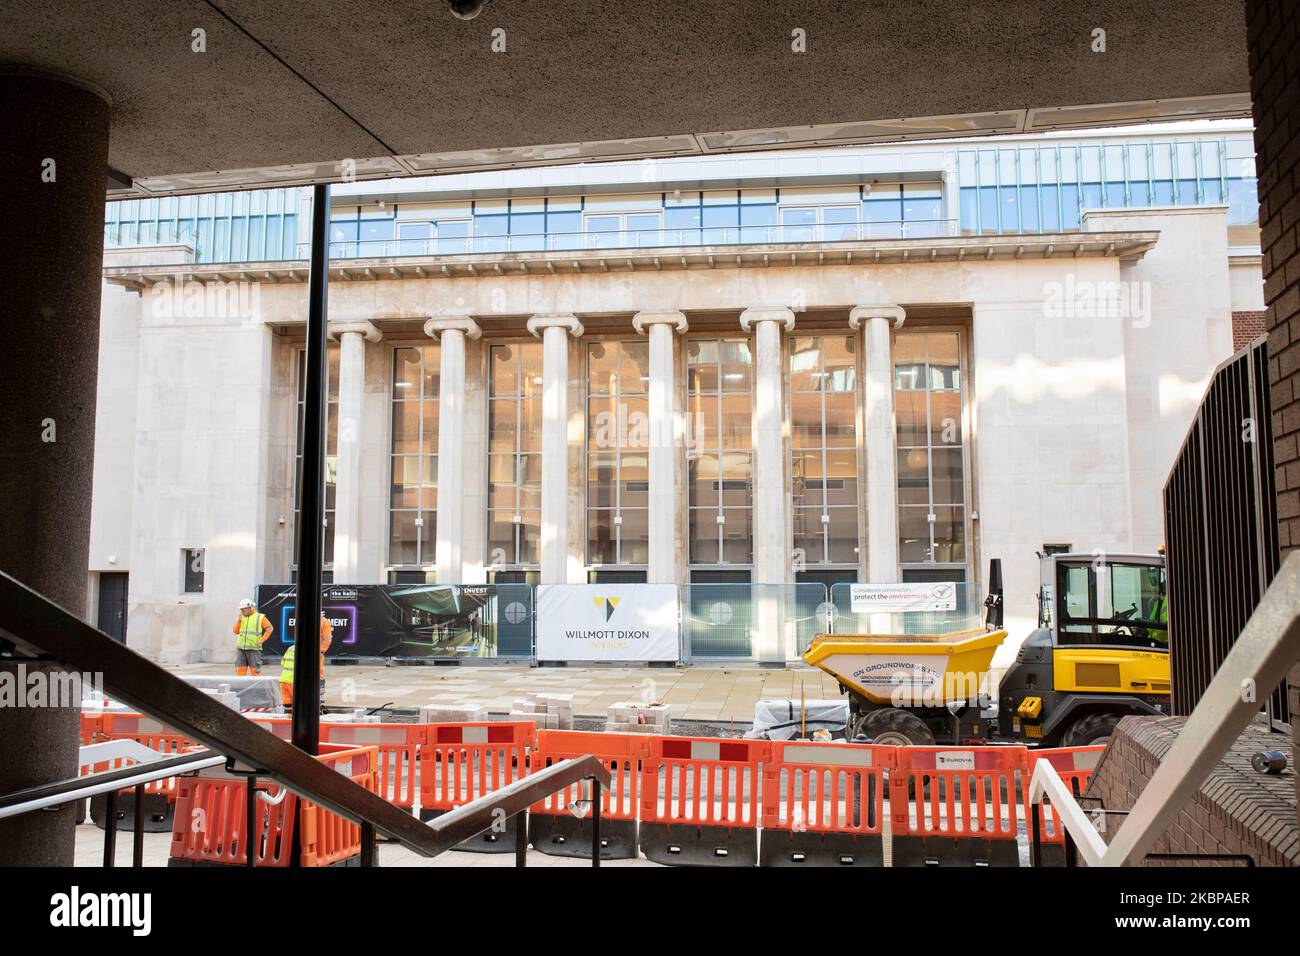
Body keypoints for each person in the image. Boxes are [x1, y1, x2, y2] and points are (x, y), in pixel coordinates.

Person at [279, 614, 333, 709]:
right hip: (305, 648)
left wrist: (320, 651)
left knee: (318, 674)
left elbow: (327, 639)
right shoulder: (304, 619)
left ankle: (319, 695)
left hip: (316, 651)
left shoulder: (324, 622)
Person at [233, 598, 273, 675]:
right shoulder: (241, 617)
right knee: (239, 671)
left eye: (243, 609)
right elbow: (235, 631)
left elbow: (270, 628)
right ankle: (239, 686)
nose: (241, 611)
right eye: (241, 609)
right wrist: (239, 621)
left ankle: (257, 687)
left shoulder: (260, 617)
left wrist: (263, 639)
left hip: (254, 649)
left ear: (249, 608)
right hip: (241, 649)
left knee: (255, 671)